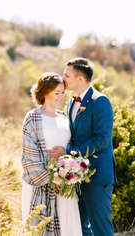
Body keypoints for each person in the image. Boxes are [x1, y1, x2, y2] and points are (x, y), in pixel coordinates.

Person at [48, 58, 116, 236]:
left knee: (101, 229)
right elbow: (74, 135)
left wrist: (70, 152)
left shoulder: (100, 101)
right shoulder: (71, 102)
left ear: (80, 79)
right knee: (78, 227)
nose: (63, 79)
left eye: (67, 75)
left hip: (98, 177)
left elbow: (102, 140)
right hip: (75, 176)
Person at [21, 72, 82, 236]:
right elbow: (29, 154)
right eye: (57, 93)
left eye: (63, 92)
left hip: (65, 186)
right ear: (45, 92)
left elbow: (72, 148)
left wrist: (69, 170)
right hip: (40, 185)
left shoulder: (65, 118)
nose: (61, 97)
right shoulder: (33, 118)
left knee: (67, 227)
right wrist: (52, 176)